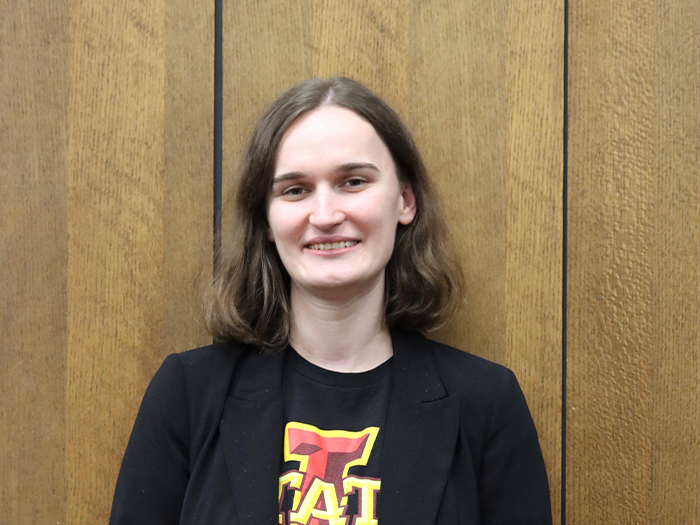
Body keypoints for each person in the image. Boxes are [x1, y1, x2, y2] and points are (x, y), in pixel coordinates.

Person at [110, 77, 552, 525]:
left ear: (404, 200)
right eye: (295, 190)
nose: (324, 216)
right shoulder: (187, 395)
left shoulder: (486, 404)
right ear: (266, 219)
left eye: (353, 182)